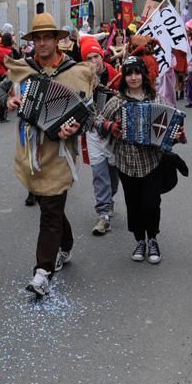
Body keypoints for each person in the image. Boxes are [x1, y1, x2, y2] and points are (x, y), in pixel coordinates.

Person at [5, 14, 96, 296]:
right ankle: (65, 245)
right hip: (31, 151)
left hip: (59, 154)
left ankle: (42, 272)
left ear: (58, 40)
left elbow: (90, 115)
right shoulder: (24, 69)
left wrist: (77, 126)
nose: (42, 43)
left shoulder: (75, 71)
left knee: (51, 210)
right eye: (37, 38)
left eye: (48, 37)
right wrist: (9, 100)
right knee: (49, 207)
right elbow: (2, 90)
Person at [99, 56, 186, 263]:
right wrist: (110, 126)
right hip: (126, 162)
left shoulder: (156, 99)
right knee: (134, 204)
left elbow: (172, 128)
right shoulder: (117, 101)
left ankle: (153, 238)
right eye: (129, 73)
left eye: (137, 72)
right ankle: (140, 240)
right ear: (124, 76)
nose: (133, 77)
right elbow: (98, 119)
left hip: (152, 161)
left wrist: (177, 135)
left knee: (151, 204)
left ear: (144, 75)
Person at [80, 36, 120, 236]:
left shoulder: (116, 75)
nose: (92, 61)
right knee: (99, 173)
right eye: (88, 58)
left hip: (114, 132)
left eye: (95, 56)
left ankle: (110, 198)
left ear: (102, 57)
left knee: (113, 173)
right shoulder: (81, 78)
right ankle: (103, 213)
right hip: (93, 132)